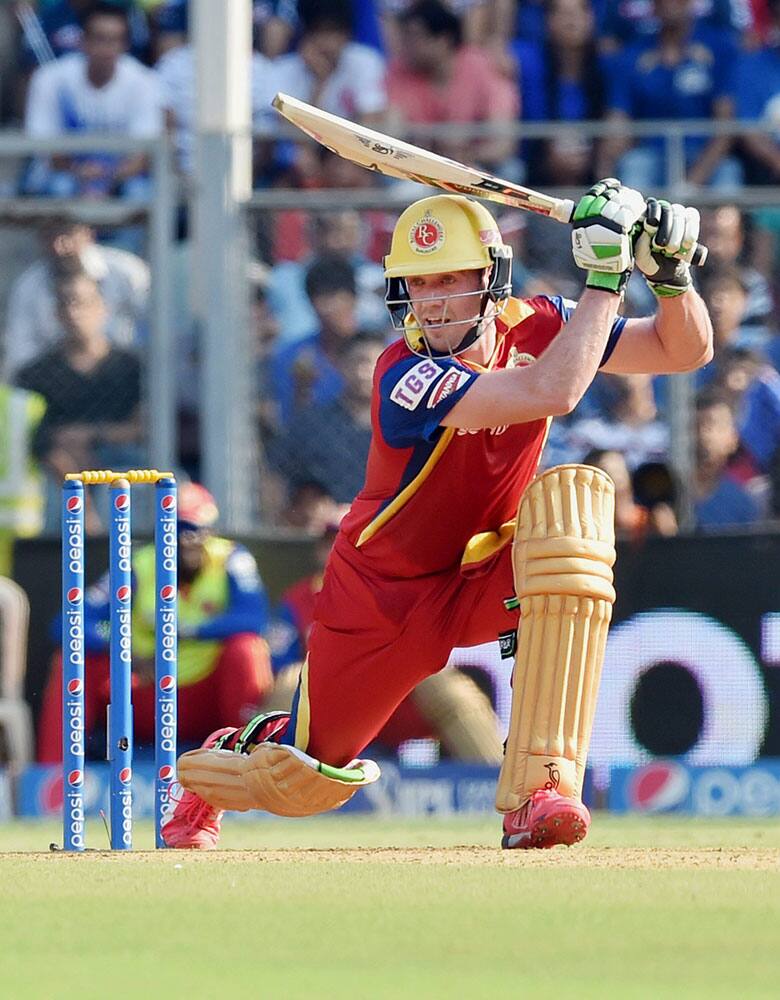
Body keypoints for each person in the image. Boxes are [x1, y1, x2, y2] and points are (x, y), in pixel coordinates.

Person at [163, 183, 713, 851]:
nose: (437, 300)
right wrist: (606, 274)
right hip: (383, 595)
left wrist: (671, 276)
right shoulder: (405, 375)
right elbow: (554, 390)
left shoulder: (535, 322)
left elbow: (680, 352)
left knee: (573, 525)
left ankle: (541, 792)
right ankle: (217, 769)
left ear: (491, 281)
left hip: (483, 566)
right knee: (305, 780)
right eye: (420, 285)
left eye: (453, 279)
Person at [38, 482, 274, 762]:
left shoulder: (231, 559)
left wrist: (189, 630)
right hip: (148, 690)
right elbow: (67, 625)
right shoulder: (138, 565)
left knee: (247, 649)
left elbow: (254, 619)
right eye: (174, 532)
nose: (183, 542)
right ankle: (53, 779)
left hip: (205, 693)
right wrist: (124, 650)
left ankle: (248, 760)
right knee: (72, 658)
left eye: (192, 532)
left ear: (209, 533)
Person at [14, 271, 143, 533]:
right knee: (55, 497)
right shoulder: (35, 374)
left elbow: (145, 427)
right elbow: (37, 441)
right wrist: (81, 497)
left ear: (103, 308)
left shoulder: (130, 368)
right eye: (65, 303)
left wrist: (91, 435)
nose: (74, 312)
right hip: (59, 469)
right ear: (56, 313)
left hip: (121, 463)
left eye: (81, 302)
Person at [24, 2, 163, 199]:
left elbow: (143, 155)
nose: (107, 48)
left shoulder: (144, 82)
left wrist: (108, 177)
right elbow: (45, 149)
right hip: (66, 177)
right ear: (83, 41)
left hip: (122, 180)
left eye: (114, 40)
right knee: (60, 187)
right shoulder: (51, 79)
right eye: (100, 39)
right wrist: (79, 173)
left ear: (126, 45)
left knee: (139, 193)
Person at [3, 217, 149, 380]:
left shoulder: (127, 271)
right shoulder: (28, 285)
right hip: (55, 380)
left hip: (121, 373)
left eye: (67, 235)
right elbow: (20, 350)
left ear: (87, 234)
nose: (60, 246)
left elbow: (155, 325)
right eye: (50, 236)